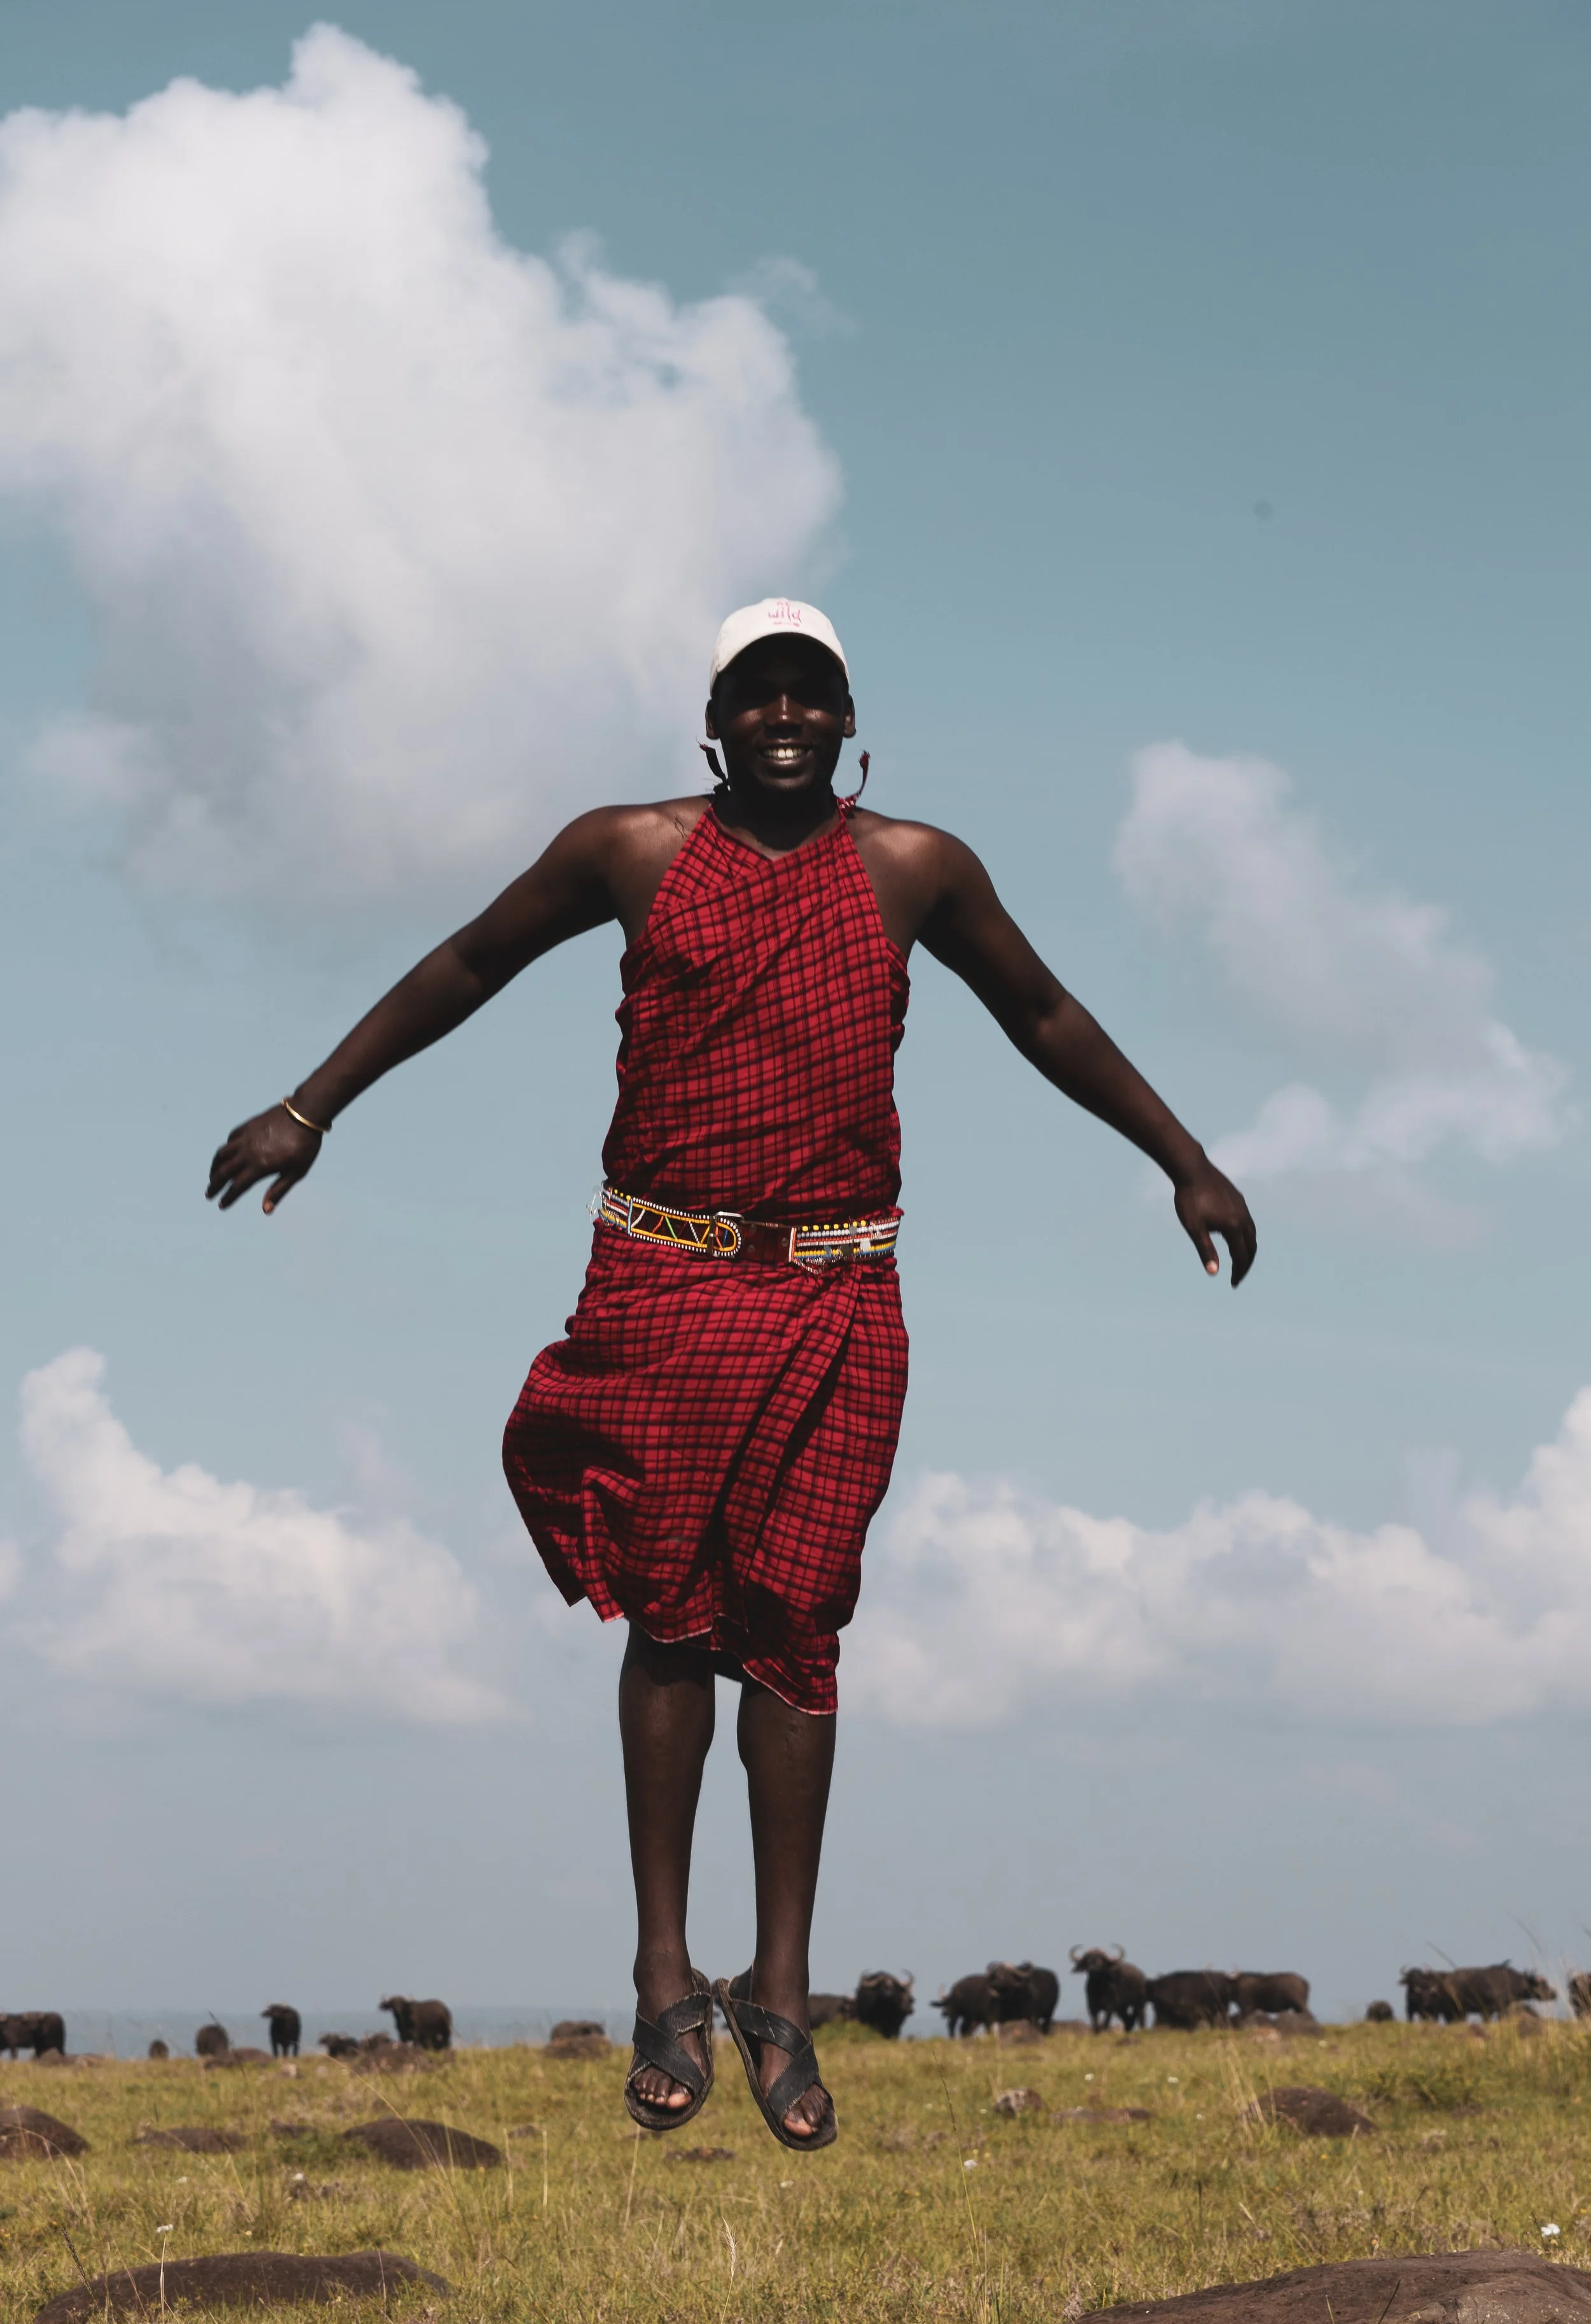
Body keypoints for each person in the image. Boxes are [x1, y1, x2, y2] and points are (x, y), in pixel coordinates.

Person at [208, 595, 1256, 2150]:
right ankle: (658, 1972)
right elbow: (469, 959)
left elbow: (1042, 1013)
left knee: (796, 1631)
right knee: (668, 1617)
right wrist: (311, 1105)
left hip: (839, 1289)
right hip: (661, 1276)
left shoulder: (913, 871)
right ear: (714, 720)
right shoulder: (626, 850)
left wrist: (1184, 1160)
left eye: (810, 696)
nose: (783, 717)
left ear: (846, 720)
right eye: (755, 695)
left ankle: (779, 1991)